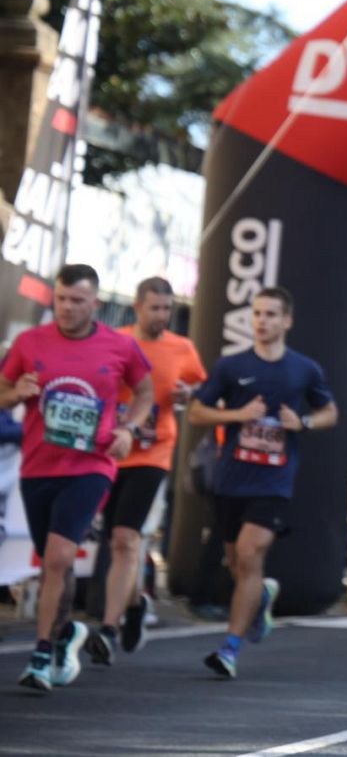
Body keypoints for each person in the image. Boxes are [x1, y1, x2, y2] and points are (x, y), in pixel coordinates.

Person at [1, 265, 154, 691]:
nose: (67, 308)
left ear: (96, 304)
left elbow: (145, 392)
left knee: (59, 558)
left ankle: (42, 652)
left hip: (91, 465)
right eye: (61, 299)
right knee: (53, 564)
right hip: (38, 466)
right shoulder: (29, 343)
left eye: (77, 301)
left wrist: (128, 429)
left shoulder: (118, 346)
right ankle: (67, 629)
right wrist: (17, 394)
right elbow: (2, 388)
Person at [188, 286, 337, 678]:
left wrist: (302, 422)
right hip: (231, 479)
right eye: (257, 313)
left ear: (287, 321)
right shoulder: (230, 367)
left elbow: (330, 413)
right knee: (238, 562)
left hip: (274, 481)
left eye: (271, 314)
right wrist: (237, 416)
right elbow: (197, 414)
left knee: (250, 554)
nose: (262, 321)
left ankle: (229, 649)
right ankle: (261, 598)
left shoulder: (304, 369)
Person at [84, 277, 207, 665]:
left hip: (154, 452)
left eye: (167, 309)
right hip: (110, 452)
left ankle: (107, 627)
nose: (161, 316)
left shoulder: (182, 347)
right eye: (154, 307)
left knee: (125, 539)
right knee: (114, 539)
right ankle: (136, 602)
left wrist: (189, 394)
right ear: (137, 307)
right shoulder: (115, 339)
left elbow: (199, 386)